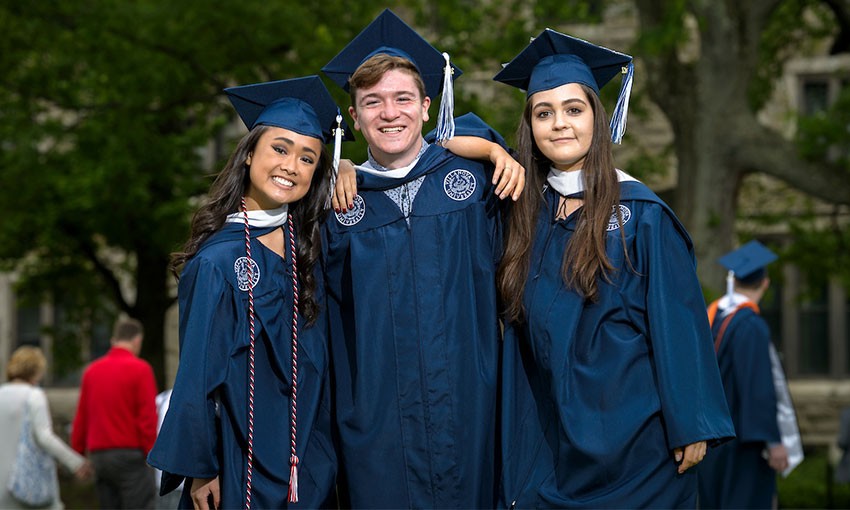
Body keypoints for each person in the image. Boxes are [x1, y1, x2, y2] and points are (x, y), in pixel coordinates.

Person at [446, 29, 735, 508]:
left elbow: (678, 325)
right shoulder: (522, 207)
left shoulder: (641, 214)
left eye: (574, 109)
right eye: (544, 113)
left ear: (599, 119)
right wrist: (494, 152)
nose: (560, 124)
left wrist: (691, 423)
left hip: (632, 441)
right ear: (530, 127)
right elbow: (435, 145)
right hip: (546, 433)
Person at [320, 9, 523, 509]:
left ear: (428, 107)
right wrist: (341, 164)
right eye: (373, 102)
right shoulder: (337, 206)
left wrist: (494, 152)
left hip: (473, 407)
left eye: (402, 99)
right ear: (355, 116)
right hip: (377, 422)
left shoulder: (475, 184)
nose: (390, 113)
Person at [147, 75, 352, 510]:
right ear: (249, 155)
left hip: (310, 463)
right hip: (242, 462)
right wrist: (202, 468)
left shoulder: (311, 246)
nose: (291, 165)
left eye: (308, 158)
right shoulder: (217, 262)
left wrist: (348, 166)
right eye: (279, 148)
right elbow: (198, 374)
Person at [699, 240, 801, 508]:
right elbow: (757, 387)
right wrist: (773, 441)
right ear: (765, 284)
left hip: (713, 441)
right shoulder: (751, 326)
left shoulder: (713, 317)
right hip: (745, 447)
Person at [71, 317, 158, 509]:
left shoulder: (91, 371)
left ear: (113, 341)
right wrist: (151, 453)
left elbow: (82, 418)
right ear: (137, 341)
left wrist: (78, 455)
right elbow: (147, 418)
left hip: (99, 457)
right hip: (129, 455)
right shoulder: (141, 369)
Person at [0, 346, 92, 509]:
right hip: (28, 482)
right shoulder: (33, 396)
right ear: (36, 371)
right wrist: (76, 462)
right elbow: (45, 437)